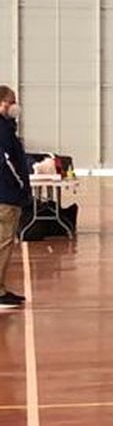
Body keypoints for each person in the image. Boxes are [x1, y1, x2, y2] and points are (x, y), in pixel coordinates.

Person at [0, 86, 28, 309]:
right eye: (12, 101)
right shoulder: (2, 129)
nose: (15, 105)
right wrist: (20, 185)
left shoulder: (7, 127)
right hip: (6, 194)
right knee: (4, 242)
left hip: (7, 192)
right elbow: (8, 161)